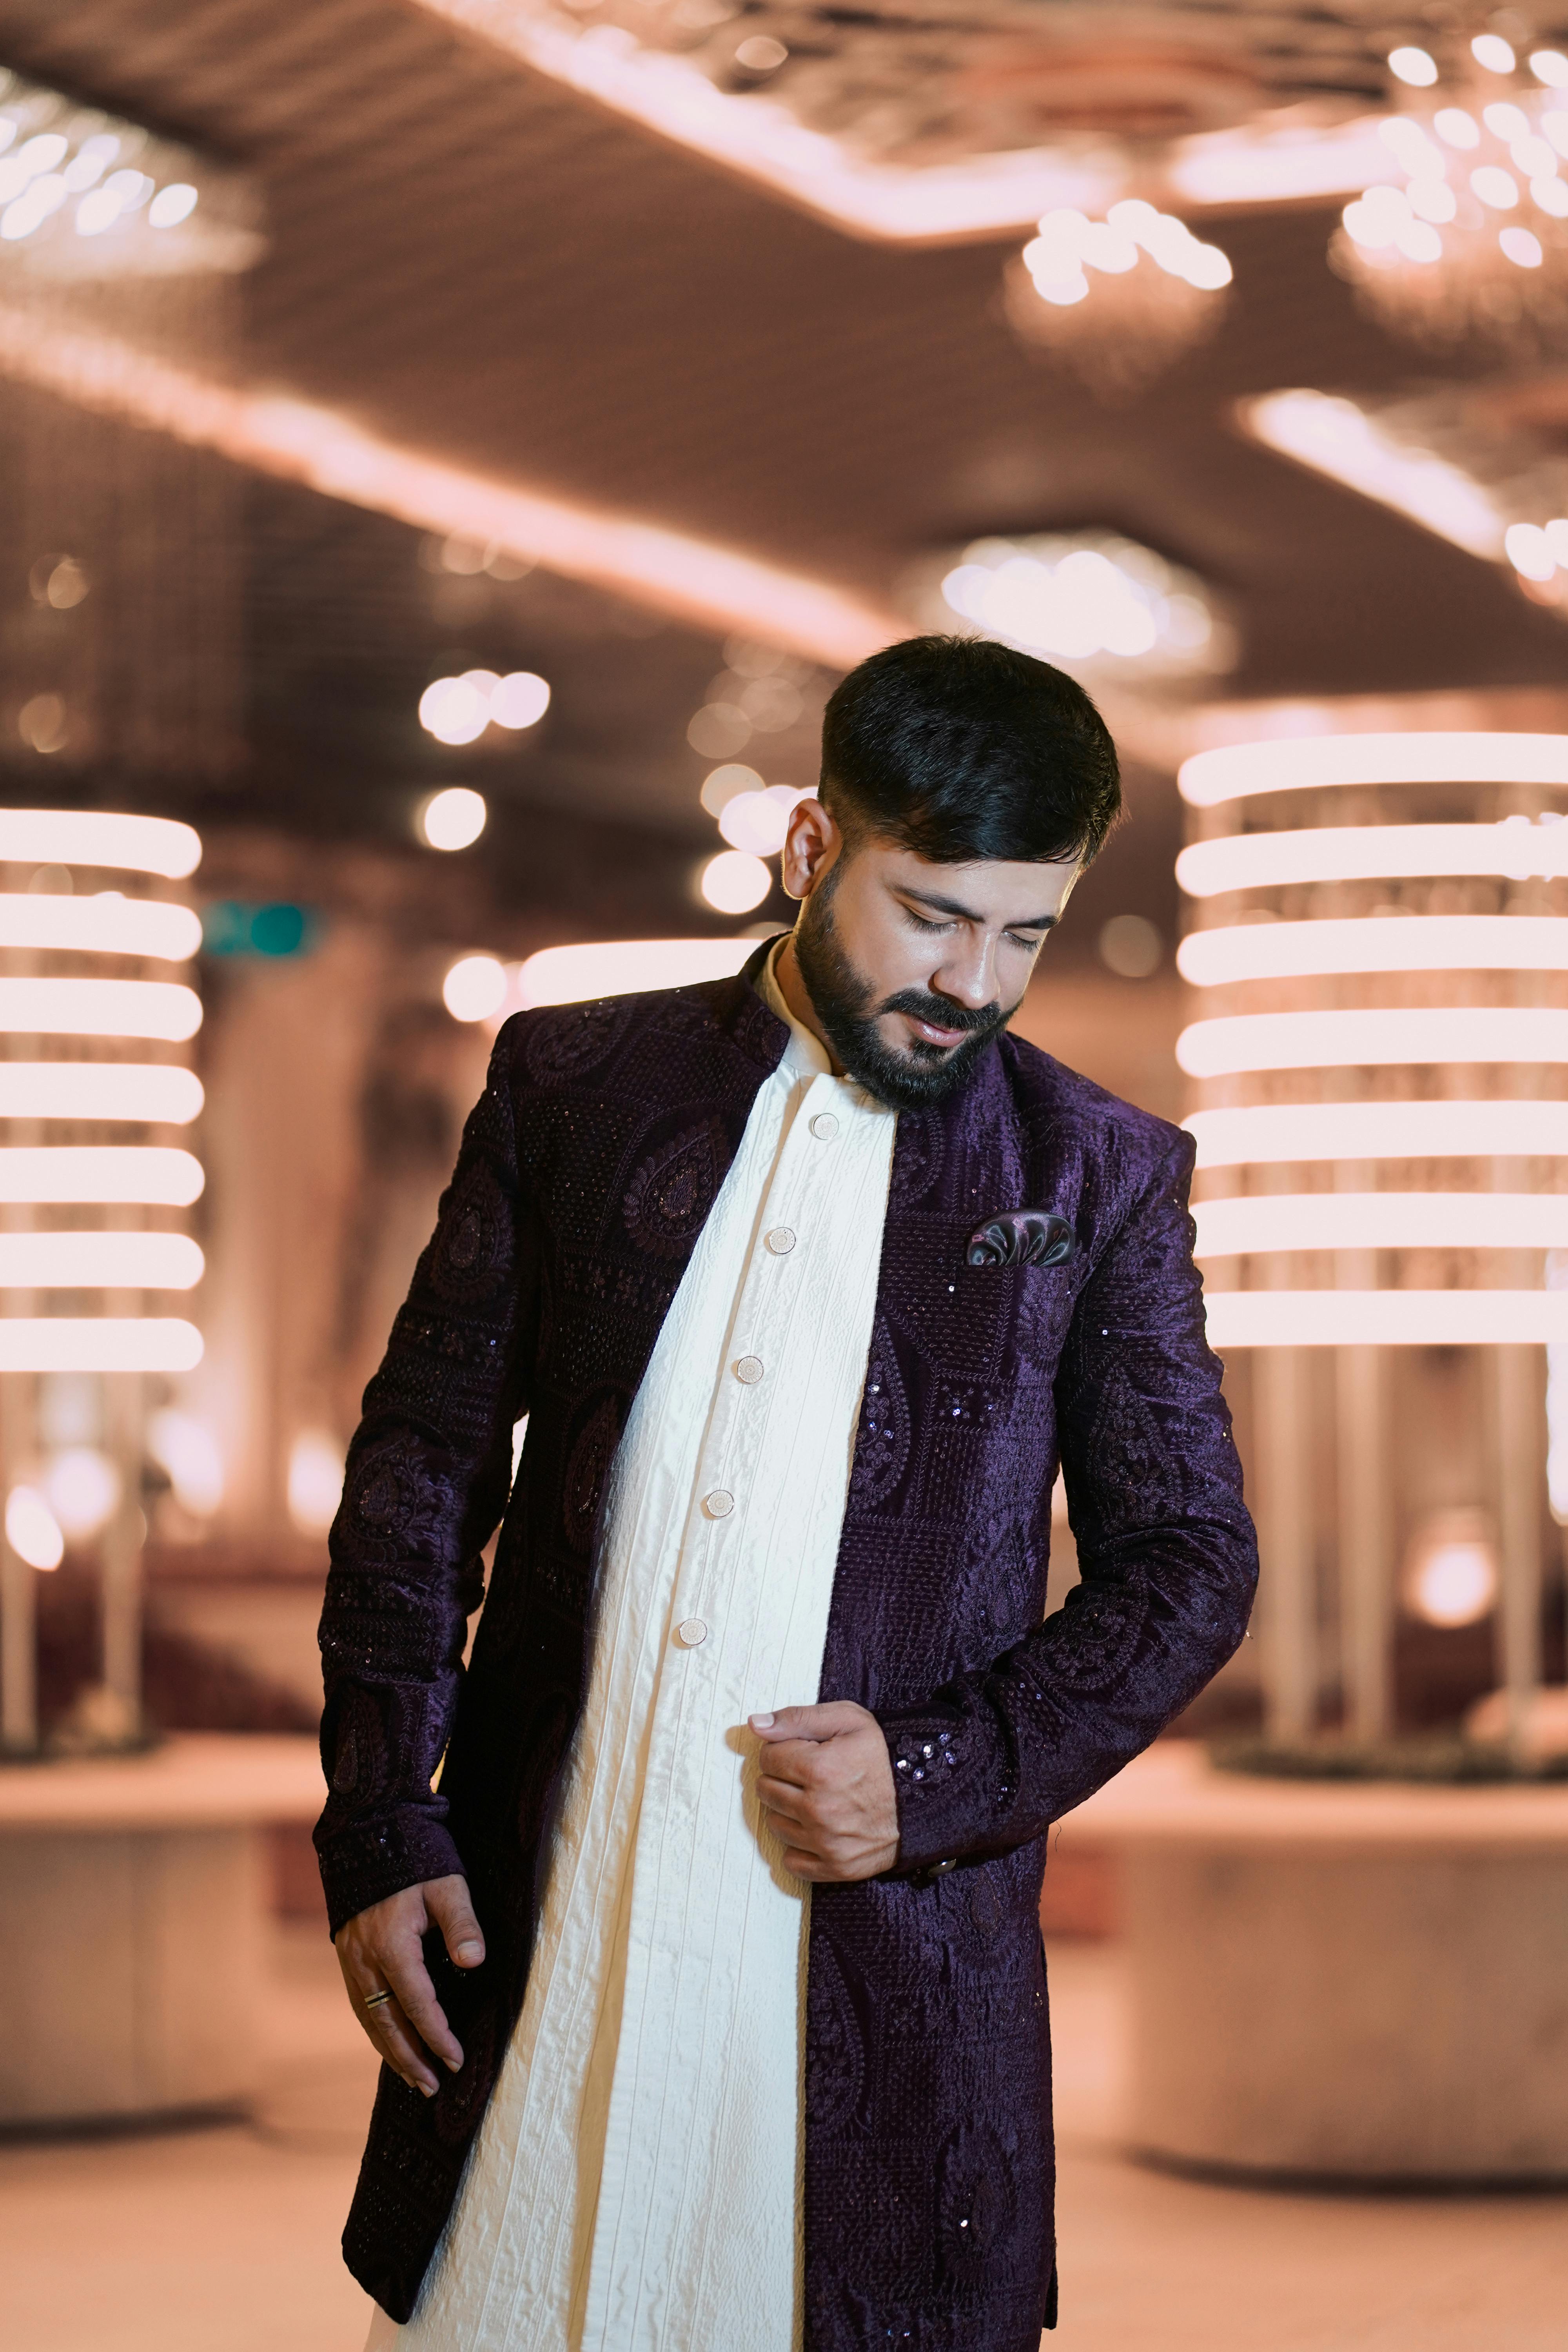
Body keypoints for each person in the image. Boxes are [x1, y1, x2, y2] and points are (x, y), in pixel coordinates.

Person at [315, 634, 1258, 2352]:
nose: (974, 980)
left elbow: (1188, 1564)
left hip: (881, 1986)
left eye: (1022, 932)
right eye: (932, 911)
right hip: (551, 1933)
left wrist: (933, 1775)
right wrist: (382, 1811)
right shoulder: (572, 1087)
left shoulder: (1100, 1175)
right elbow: (422, 1464)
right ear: (814, 849)